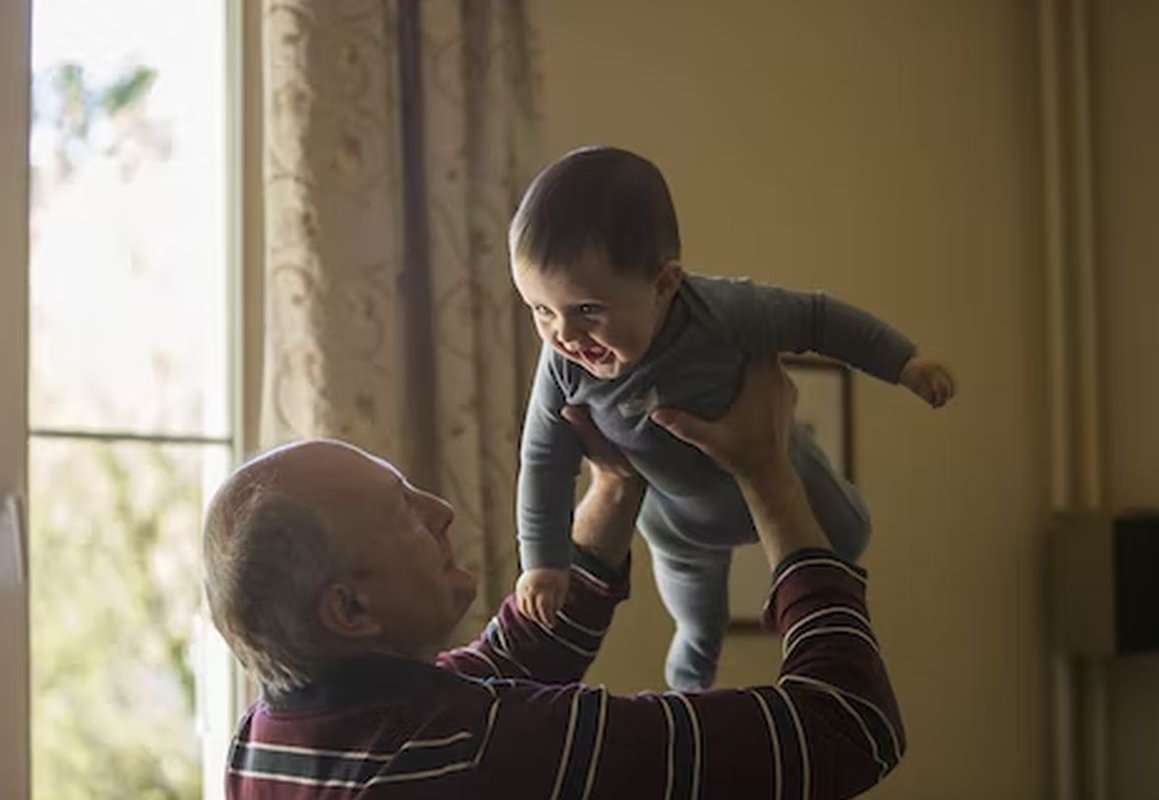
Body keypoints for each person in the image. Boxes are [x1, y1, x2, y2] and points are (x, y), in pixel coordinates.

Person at [204, 358, 905, 798]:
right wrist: (769, 475)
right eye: (403, 512)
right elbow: (847, 727)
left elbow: (507, 662)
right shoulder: (482, 749)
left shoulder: (266, 739)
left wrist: (614, 485)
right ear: (351, 610)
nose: (441, 511)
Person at [511, 145, 956, 690]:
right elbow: (544, 461)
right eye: (540, 310)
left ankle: (798, 611)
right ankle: (690, 684)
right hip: (679, 523)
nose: (563, 335)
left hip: (785, 468)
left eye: (587, 310)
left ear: (664, 284)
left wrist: (905, 363)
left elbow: (818, 320)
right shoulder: (562, 366)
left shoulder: (721, 312)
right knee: (698, 620)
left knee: (849, 537)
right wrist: (544, 562)